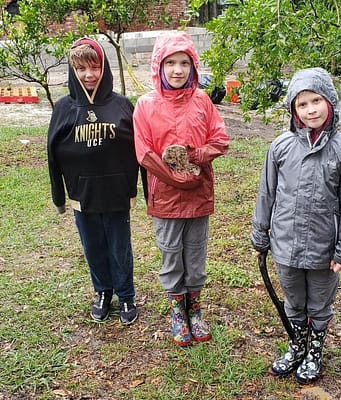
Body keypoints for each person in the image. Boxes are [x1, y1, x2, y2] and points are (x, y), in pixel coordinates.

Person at [250, 67, 341, 383]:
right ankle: (297, 345)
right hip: (285, 244)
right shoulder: (281, 146)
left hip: (324, 248)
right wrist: (261, 234)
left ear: (330, 102)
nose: (311, 109)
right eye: (302, 104)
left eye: (316, 100)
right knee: (295, 301)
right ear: (292, 109)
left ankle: (315, 351)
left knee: (319, 302)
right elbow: (267, 192)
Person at [133, 30, 229, 346]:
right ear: (159, 65)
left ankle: (195, 310)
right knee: (172, 254)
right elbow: (144, 151)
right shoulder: (146, 106)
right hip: (166, 197)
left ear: (193, 66)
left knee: (196, 253)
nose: (177, 70)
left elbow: (220, 139)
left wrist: (195, 156)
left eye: (184, 63)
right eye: (170, 63)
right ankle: (178, 311)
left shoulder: (202, 101)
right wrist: (174, 178)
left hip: (199, 193)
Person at [47, 37, 147, 325]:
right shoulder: (64, 108)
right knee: (93, 246)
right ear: (72, 70)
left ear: (104, 68)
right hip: (83, 194)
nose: (89, 75)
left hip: (116, 192)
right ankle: (103, 291)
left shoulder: (121, 105)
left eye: (94, 67)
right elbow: (52, 153)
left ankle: (126, 294)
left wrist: (146, 190)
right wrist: (58, 196)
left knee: (119, 246)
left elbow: (141, 149)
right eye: (81, 69)